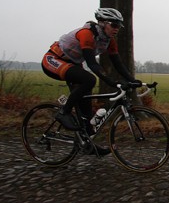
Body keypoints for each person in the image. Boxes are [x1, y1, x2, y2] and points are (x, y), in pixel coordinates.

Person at [41, 8, 141, 151]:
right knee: (89, 79)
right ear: (102, 23)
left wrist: (132, 80)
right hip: (53, 59)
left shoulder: (109, 41)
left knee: (86, 108)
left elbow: (118, 63)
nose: (117, 29)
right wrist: (110, 82)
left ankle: (87, 144)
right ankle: (64, 113)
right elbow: (92, 64)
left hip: (72, 64)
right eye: (114, 25)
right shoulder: (86, 34)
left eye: (119, 26)